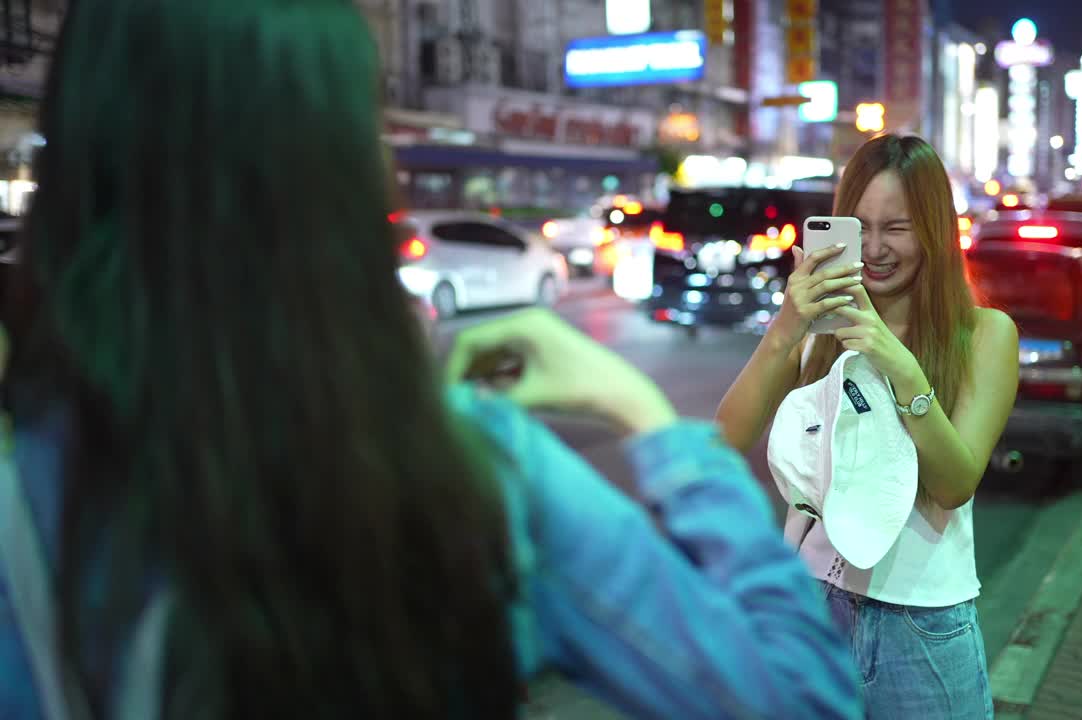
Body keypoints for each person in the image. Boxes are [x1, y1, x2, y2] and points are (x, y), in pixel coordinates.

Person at [0, 1, 866, 718]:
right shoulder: (474, 475)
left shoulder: (26, 504)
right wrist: (645, 415)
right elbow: (804, 698)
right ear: (343, 174)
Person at [716, 134, 1019, 719]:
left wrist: (898, 364)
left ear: (933, 230)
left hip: (922, 624)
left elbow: (955, 483)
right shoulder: (818, 336)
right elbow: (725, 440)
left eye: (898, 228)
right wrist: (786, 327)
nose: (876, 249)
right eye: (860, 226)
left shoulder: (984, 335)